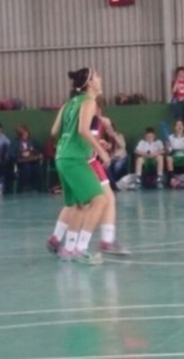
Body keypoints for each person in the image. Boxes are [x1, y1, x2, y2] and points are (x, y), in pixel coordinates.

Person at [48, 68, 112, 265]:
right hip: (75, 158)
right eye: (97, 76)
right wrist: (100, 151)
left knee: (78, 205)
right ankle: (81, 249)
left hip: (62, 156)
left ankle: (68, 249)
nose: (100, 79)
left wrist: (71, 142)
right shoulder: (88, 101)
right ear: (89, 83)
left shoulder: (69, 104)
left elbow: (54, 131)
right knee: (100, 201)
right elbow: (83, 130)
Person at [48, 108, 129, 257]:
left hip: (66, 157)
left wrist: (99, 143)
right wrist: (100, 149)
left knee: (74, 203)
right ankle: (88, 244)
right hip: (85, 161)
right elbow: (85, 138)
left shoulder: (70, 111)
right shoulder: (90, 113)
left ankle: (57, 238)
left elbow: (60, 133)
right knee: (100, 201)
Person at [166, 119, 184, 186]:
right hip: (174, 156)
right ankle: (172, 178)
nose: (179, 126)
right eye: (177, 125)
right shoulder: (170, 137)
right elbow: (168, 151)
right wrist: (167, 146)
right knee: (168, 158)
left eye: (181, 125)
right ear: (174, 127)